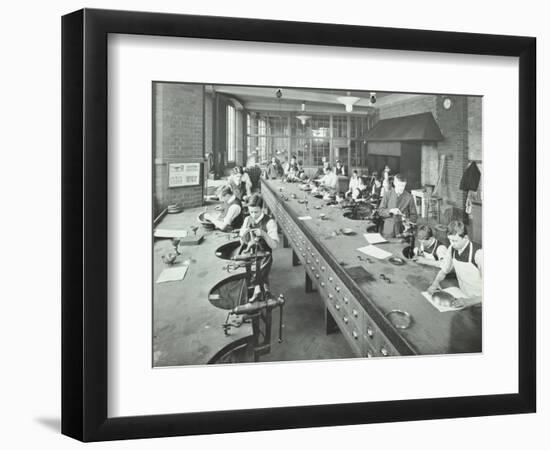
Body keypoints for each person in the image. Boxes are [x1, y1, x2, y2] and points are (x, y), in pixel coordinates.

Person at [427, 220, 482, 305]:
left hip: (479, 301)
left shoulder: (479, 254)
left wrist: (470, 301)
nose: (452, 244)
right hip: (463, 295)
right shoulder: (452, 249)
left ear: (466, 238)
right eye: (450, 240)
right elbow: (444, 270)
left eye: (455, 241)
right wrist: (435, 283)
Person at [239, 194, 279, 301]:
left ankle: (258, 291)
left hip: (264, 255)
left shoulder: (269, 222)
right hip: (251, 253)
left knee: (260, 270)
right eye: (251, 212)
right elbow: (242, 241)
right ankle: (259, 289)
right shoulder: (248, 219)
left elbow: (274, 246)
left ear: (262, 209)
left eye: (256, 212)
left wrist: (263, 234)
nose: (253, 215)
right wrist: (244, 233)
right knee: (248, 270)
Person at [378, 173, 418, 237]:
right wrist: (390, 211)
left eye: (403, 186)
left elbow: (414, 215)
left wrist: (407, 221)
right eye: (399, 185)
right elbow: (380, 211)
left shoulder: (409, 197)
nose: (401, 188)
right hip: (388, 230)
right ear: (394, 183)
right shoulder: (387, 194)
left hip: (403, 230)